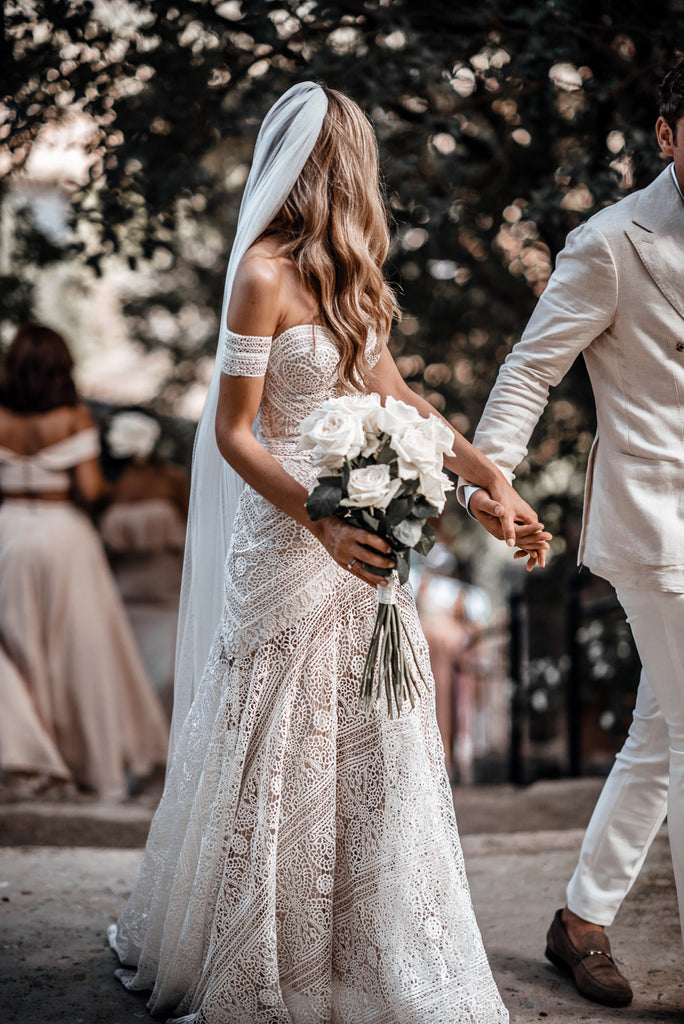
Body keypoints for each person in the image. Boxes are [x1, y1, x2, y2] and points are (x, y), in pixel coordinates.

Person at [108, 83, 547, 1022]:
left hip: (364, 541)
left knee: (372, 738)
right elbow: (233, 434)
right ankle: (265, 958)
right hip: (289, 536)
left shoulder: (353, 279)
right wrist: (321, 522)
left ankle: (365, 949)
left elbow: (402, 403)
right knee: (278, 744)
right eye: (351, 164)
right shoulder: (260, 275)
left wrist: (489, 484)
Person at [460, 57, 684, 1008]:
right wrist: (489, 477)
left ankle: (581, 921)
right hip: (658, 517)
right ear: (668, 132)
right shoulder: (612, 242)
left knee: (662, 732)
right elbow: (530, 368)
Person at [0, 323, 169, 801]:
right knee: (74, 648)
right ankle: (81, 761)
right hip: (62, 535)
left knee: (15, 645)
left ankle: (27, 753)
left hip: (7, 531)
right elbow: (90, 491)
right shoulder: (75, 418)